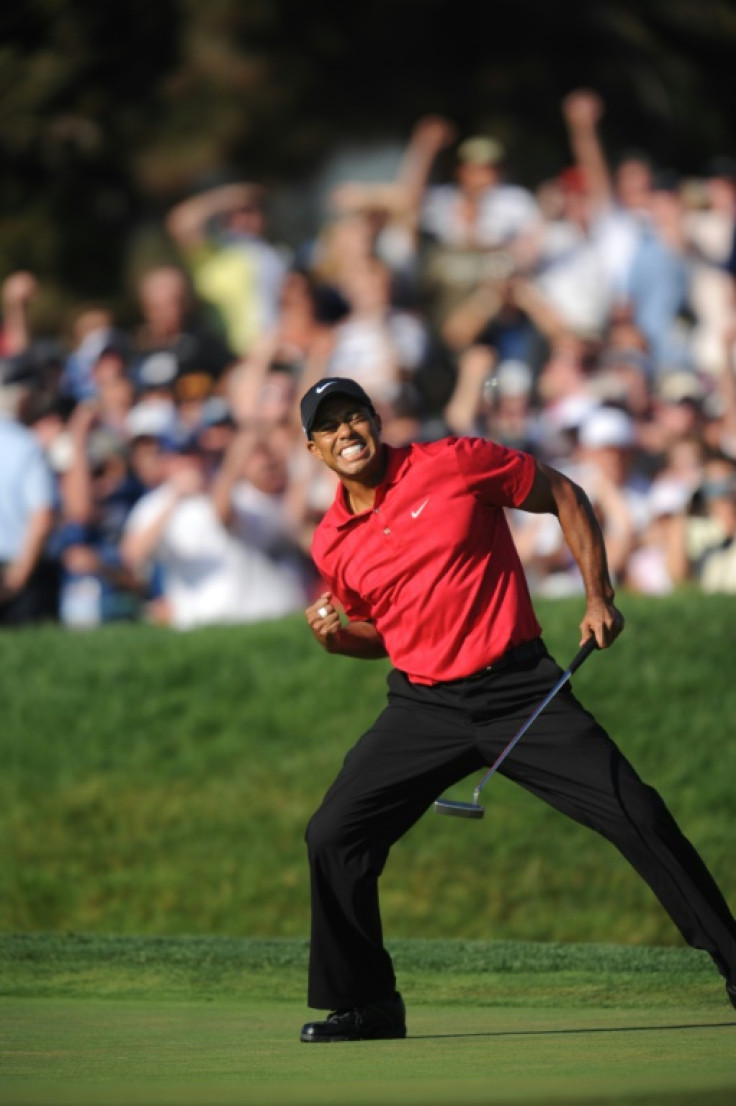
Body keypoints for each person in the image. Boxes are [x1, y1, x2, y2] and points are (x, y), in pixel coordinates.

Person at [297, 375, 736, 1043]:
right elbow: (390, 636)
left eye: (354, 416)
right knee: (334, 835)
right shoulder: (331, 541)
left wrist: (598, 595)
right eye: (330, 427)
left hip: (520, 689)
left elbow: (564, 494)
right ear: (313, 449)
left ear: (375, 421)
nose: (346, 432)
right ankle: (369, 1004)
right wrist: (336, 642)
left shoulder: (453, 461)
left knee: (637, 813)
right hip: (423, 707)